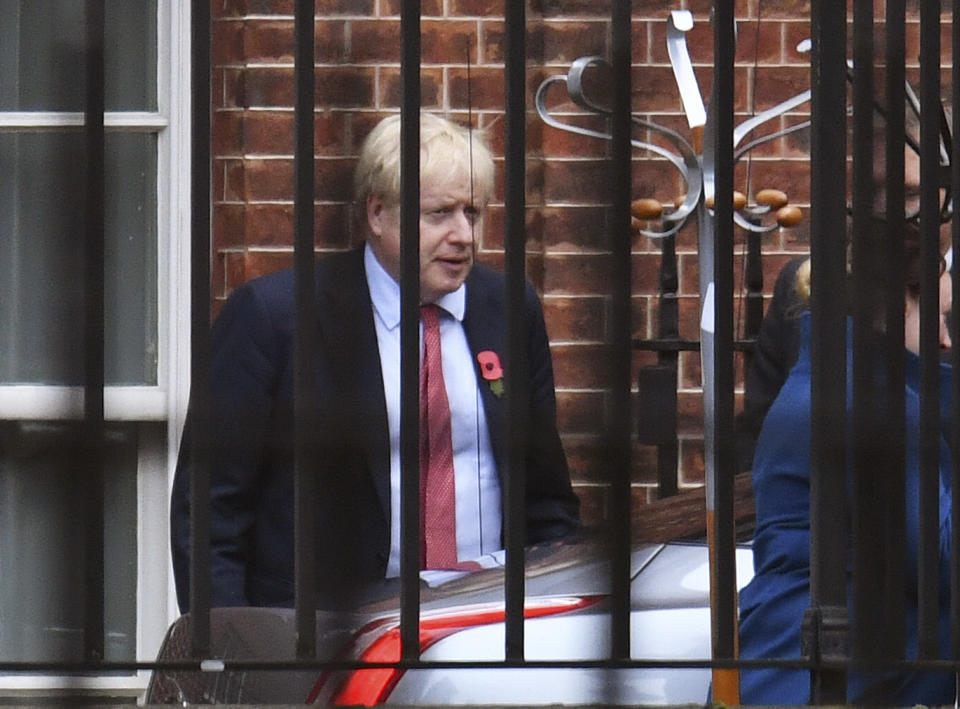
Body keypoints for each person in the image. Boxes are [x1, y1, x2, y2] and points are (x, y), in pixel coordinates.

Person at [170, 113, 581, 611]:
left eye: (473, 213)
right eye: (439, 213)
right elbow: (212, 508)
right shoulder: (275, 317)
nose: (463, 236)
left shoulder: (510, 309)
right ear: (378, 213)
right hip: (326, 637)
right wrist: (229, 649)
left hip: (485, 623)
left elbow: (546, 496)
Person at [737, 232, 954, 705]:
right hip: (830, 680)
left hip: (787, 665)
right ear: (900, 305)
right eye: (938, 317)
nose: (945, 338)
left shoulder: (828, 382)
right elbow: (942, 560)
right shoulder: (878, 403)